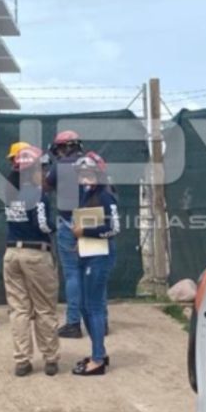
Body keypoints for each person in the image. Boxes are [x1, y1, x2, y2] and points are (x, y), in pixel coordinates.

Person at [3, 144, 60, 377]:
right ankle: (50, 358)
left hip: (11, 253)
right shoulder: (37, 194)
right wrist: (57, 227)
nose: (44, 172)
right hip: (36, 253)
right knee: (44, 308)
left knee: (19, 309)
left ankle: (22, 360)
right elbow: (42, 225)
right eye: (41, 168)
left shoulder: (10, 192)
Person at [70, 152, 119, 377]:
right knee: (83, 306)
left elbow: (114, 228)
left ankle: (98, 359)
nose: (83, 178)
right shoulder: (87, 193)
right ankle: (98, 352)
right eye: (81, 174)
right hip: (86, 253)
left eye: (88, 173)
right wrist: (79, 239)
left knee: (94, 306)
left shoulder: (106, 195)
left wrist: (85, 232)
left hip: (100, 256)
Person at [46, 130, 88, 339]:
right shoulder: (92, 162)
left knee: (72, 273)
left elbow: (46, 187)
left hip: (69, 221)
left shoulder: (60, 165)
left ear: (63, 147)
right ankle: (101, 321)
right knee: (93, 272)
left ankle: (73, 323)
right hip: (92, 221)